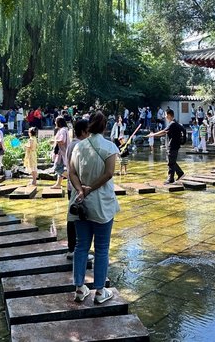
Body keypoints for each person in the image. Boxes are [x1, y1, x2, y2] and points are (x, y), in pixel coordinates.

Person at [68, 112, 119, 305]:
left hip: (80, 202)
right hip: (102, 203)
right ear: (104, 127)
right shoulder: (109, 147)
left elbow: (72, 172)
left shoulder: (78, 146)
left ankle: (79, 289)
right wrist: (91, 189)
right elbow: (109, 174)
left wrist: (81, 190)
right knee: (102, 248)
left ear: (89, 126)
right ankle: (100, 291)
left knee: (81, 246)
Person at [65, 119, 90, 260]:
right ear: (83, 131)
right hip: (78, 187)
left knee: (72, 216)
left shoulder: (71, 144)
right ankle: (77, 249)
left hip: (71, 185)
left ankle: (72, 248)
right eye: (88, 131)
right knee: (79, 218)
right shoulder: (79, 145)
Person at [148, 109, 186, 184]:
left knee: (170, 163)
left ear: (169, 115)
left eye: (165, 115)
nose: (165, 116)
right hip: (175, 145)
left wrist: (153, 134)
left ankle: (170, 179)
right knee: (171, 161)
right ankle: (180, 173)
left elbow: (163, 132)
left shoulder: (172, 124)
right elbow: (166, 132)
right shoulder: (176, 123)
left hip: (173, 145)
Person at [50, 116, 69, 189]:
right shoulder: (64, 129)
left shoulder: (62, 130)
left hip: (61, 153)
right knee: (60, 168)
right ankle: (58, 184)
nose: (55, 122)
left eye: (56, 121)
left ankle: (71, 178)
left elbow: (62, 140)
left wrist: (54, 141)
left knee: (57, 168)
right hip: (61, 152)